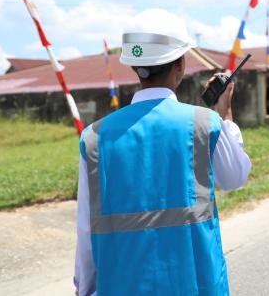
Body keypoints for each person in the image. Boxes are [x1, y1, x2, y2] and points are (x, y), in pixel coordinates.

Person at [74, 17, 252, 296]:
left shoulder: (95, 137)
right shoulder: (204, 123)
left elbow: (86, 231)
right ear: (180, 63)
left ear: (134, 67)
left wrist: (84, 289)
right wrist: (225, 113)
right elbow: (235, 177)